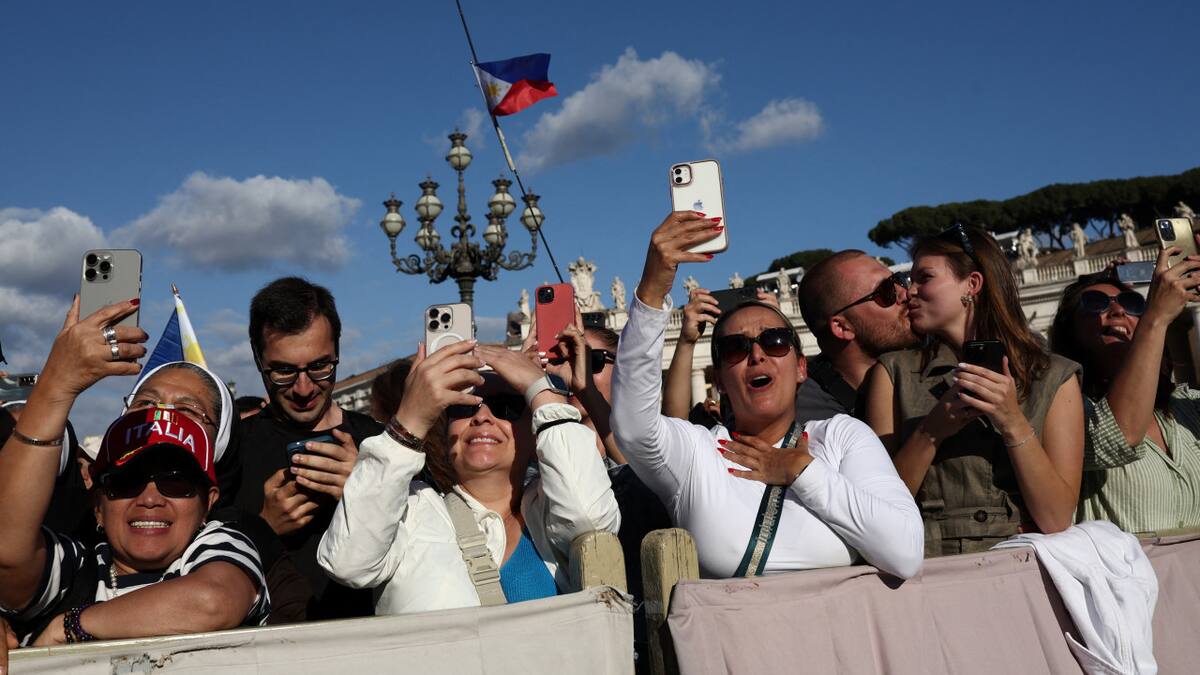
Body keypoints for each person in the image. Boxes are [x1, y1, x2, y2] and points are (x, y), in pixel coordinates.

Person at [611, 211, 923, 580]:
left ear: (801, 368)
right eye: (735, 348)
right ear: (720, 381)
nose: (756, 354)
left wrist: (800, 470)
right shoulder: (696, 454)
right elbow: (633, 426)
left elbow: (904, 552)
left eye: (775, 341)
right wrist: (652, 290)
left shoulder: (843, 436)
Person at [0, 298, 269, 646]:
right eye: (126, 480)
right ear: (97, 502)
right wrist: (57, 385)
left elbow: (211, 601)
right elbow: (7, 551)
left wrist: (70, 626)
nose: (151, 498)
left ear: (209, 502)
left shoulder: (223, 547)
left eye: (176, 480)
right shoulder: (76, 567)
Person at [318, 337, 620, 613]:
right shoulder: (410, 512)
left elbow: (591, 521)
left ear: (534, 427)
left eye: (506, 406)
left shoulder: (550, 512)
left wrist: (540, 390)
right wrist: (408, 422)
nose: (482, 416)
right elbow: (349, 564)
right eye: (464, 408)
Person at [864, 225, 1084, 557]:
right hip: (930, 573)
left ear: (973, 284)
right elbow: (877, 513)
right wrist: (931, 432)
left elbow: (1056, 518)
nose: (909, 291)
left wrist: (1013, 422)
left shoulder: (1055, 376)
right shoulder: (892, 374)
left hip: (1024, 571)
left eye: (924, 278)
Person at [226, 276, 379, 619]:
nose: (304, 387)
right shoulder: (231, 448)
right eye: (283, 371)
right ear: (257, 359)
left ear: (337, 351)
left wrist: (370, 491)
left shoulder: (378, 443)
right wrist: (262, 529)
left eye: (320, 366)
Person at [1050, 249, 1200, 532]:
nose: (1118, 310)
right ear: (1069, 331)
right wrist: (1154, 318)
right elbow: (1117, 437)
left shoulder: (1188, 405)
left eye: (1131, 302)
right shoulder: (1064, 410)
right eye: (1096, 303)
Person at [796, 251, 918, 420]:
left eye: (898, 280)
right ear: (842, 327)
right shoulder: (811, 421)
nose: (906, 293)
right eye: (886, 291)